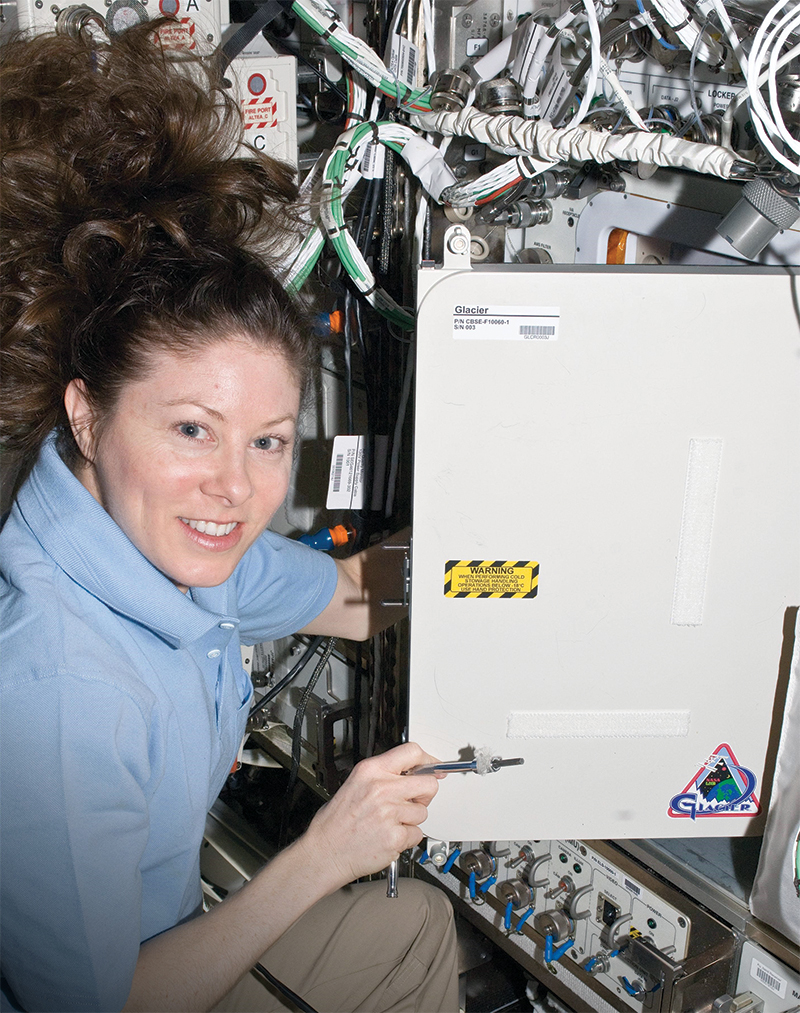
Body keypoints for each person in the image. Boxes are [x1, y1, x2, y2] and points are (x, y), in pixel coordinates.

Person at [0, 21, 459, 1013]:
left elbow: (346, 593)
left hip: (156, 938)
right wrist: (324, 851)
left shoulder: (149, 542)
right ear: (86, 412)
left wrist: (499, 567)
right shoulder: (60, 692)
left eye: (265, 440)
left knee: (410, 926)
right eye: (192, 430)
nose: (235, 487)